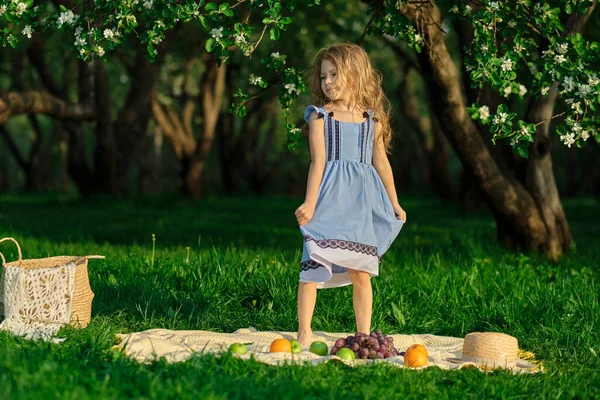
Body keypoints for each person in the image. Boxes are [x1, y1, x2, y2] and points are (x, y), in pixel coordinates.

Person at [294, 43, 406, 346]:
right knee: (314, 263)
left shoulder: (372, 119)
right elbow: (318, 162)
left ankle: (363, 334)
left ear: (355, 75)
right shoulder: (320, 117)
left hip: (361, 203)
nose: (327, 82)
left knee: (361, 271)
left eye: (334, 75)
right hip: (329, 196)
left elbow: (380, 161)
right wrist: (310, 201)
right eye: (323, 77)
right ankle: (304, 331)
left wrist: (394, 202)